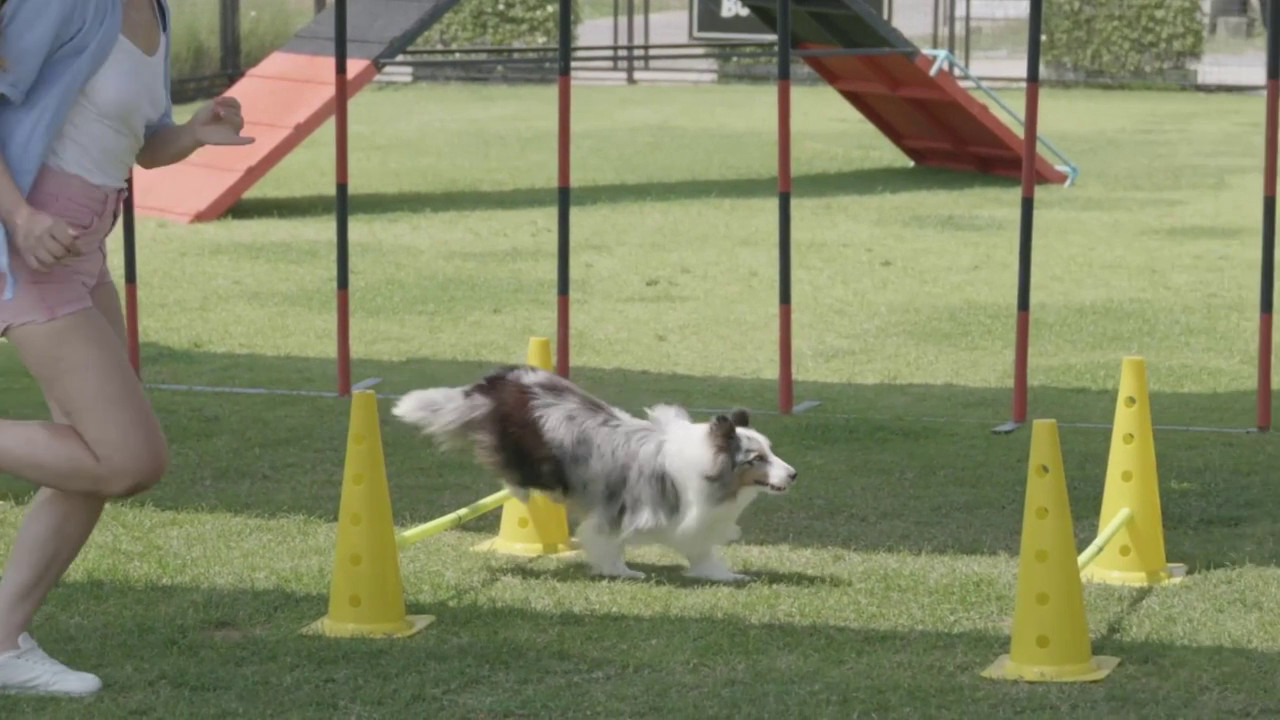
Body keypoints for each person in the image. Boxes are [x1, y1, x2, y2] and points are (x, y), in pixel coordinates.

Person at [0, 0, 254, 696]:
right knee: (128, 458)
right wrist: (20, 218)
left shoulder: (155, 12)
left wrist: (195, 133)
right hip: (35, 245)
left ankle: (2, 644)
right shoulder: (65, 4)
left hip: (86, 246)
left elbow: (144, 143)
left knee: (89, 456)